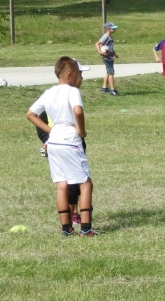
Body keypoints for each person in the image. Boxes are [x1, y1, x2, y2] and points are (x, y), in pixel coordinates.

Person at [26, 57, 97, 236]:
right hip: (70, 140)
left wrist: (50, 131)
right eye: (78, 74)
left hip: (54, 141)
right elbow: (78, 111)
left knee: (62, 185)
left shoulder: (49, 92)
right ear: (69, 74)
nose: (80, 77)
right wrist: (81, 130)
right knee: (86, 184)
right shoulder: (71, 91)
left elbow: (30, 114)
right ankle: (86, 229)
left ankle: (66, 228)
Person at [96, 22, 118, 96]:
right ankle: (112, 90)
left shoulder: (110, 37)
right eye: (113, 28)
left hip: (110, 57)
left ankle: (104, 88)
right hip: (107, 57)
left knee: (108, 72)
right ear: (108, 29)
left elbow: (110, 47)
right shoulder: (105, 37)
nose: (115, 29)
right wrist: (100, 52)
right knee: (111, 73)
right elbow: (97, 44)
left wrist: (115, 54)